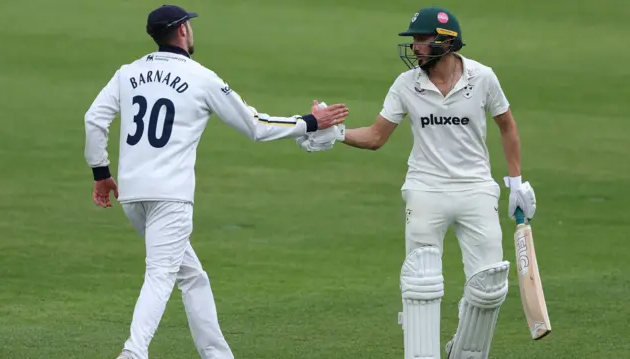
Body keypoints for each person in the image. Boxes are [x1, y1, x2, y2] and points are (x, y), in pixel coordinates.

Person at [84, 4, 349, 359]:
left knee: (191, 277)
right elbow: (256, 126)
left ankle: (217, 355)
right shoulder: (202, 78)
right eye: (189, 27)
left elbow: (94, 120)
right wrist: (309, 122)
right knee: (160, 274)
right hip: (171, 197)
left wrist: (101, 175)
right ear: (181, 31)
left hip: (132, 194)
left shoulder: (127, 73)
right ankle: (133, 352)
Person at [296, 6, 536, 359]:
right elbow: (377, 136)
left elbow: (507, 125)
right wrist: (335, 133)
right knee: (421, 283)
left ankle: (464, 352)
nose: (416, 48)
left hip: (476, 189)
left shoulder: (482, 77)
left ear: (446, 42)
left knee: (490, 286)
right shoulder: (406, 84)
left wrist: (516, 182)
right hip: (425, 190)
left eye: (422, 41)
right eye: (415, 41)